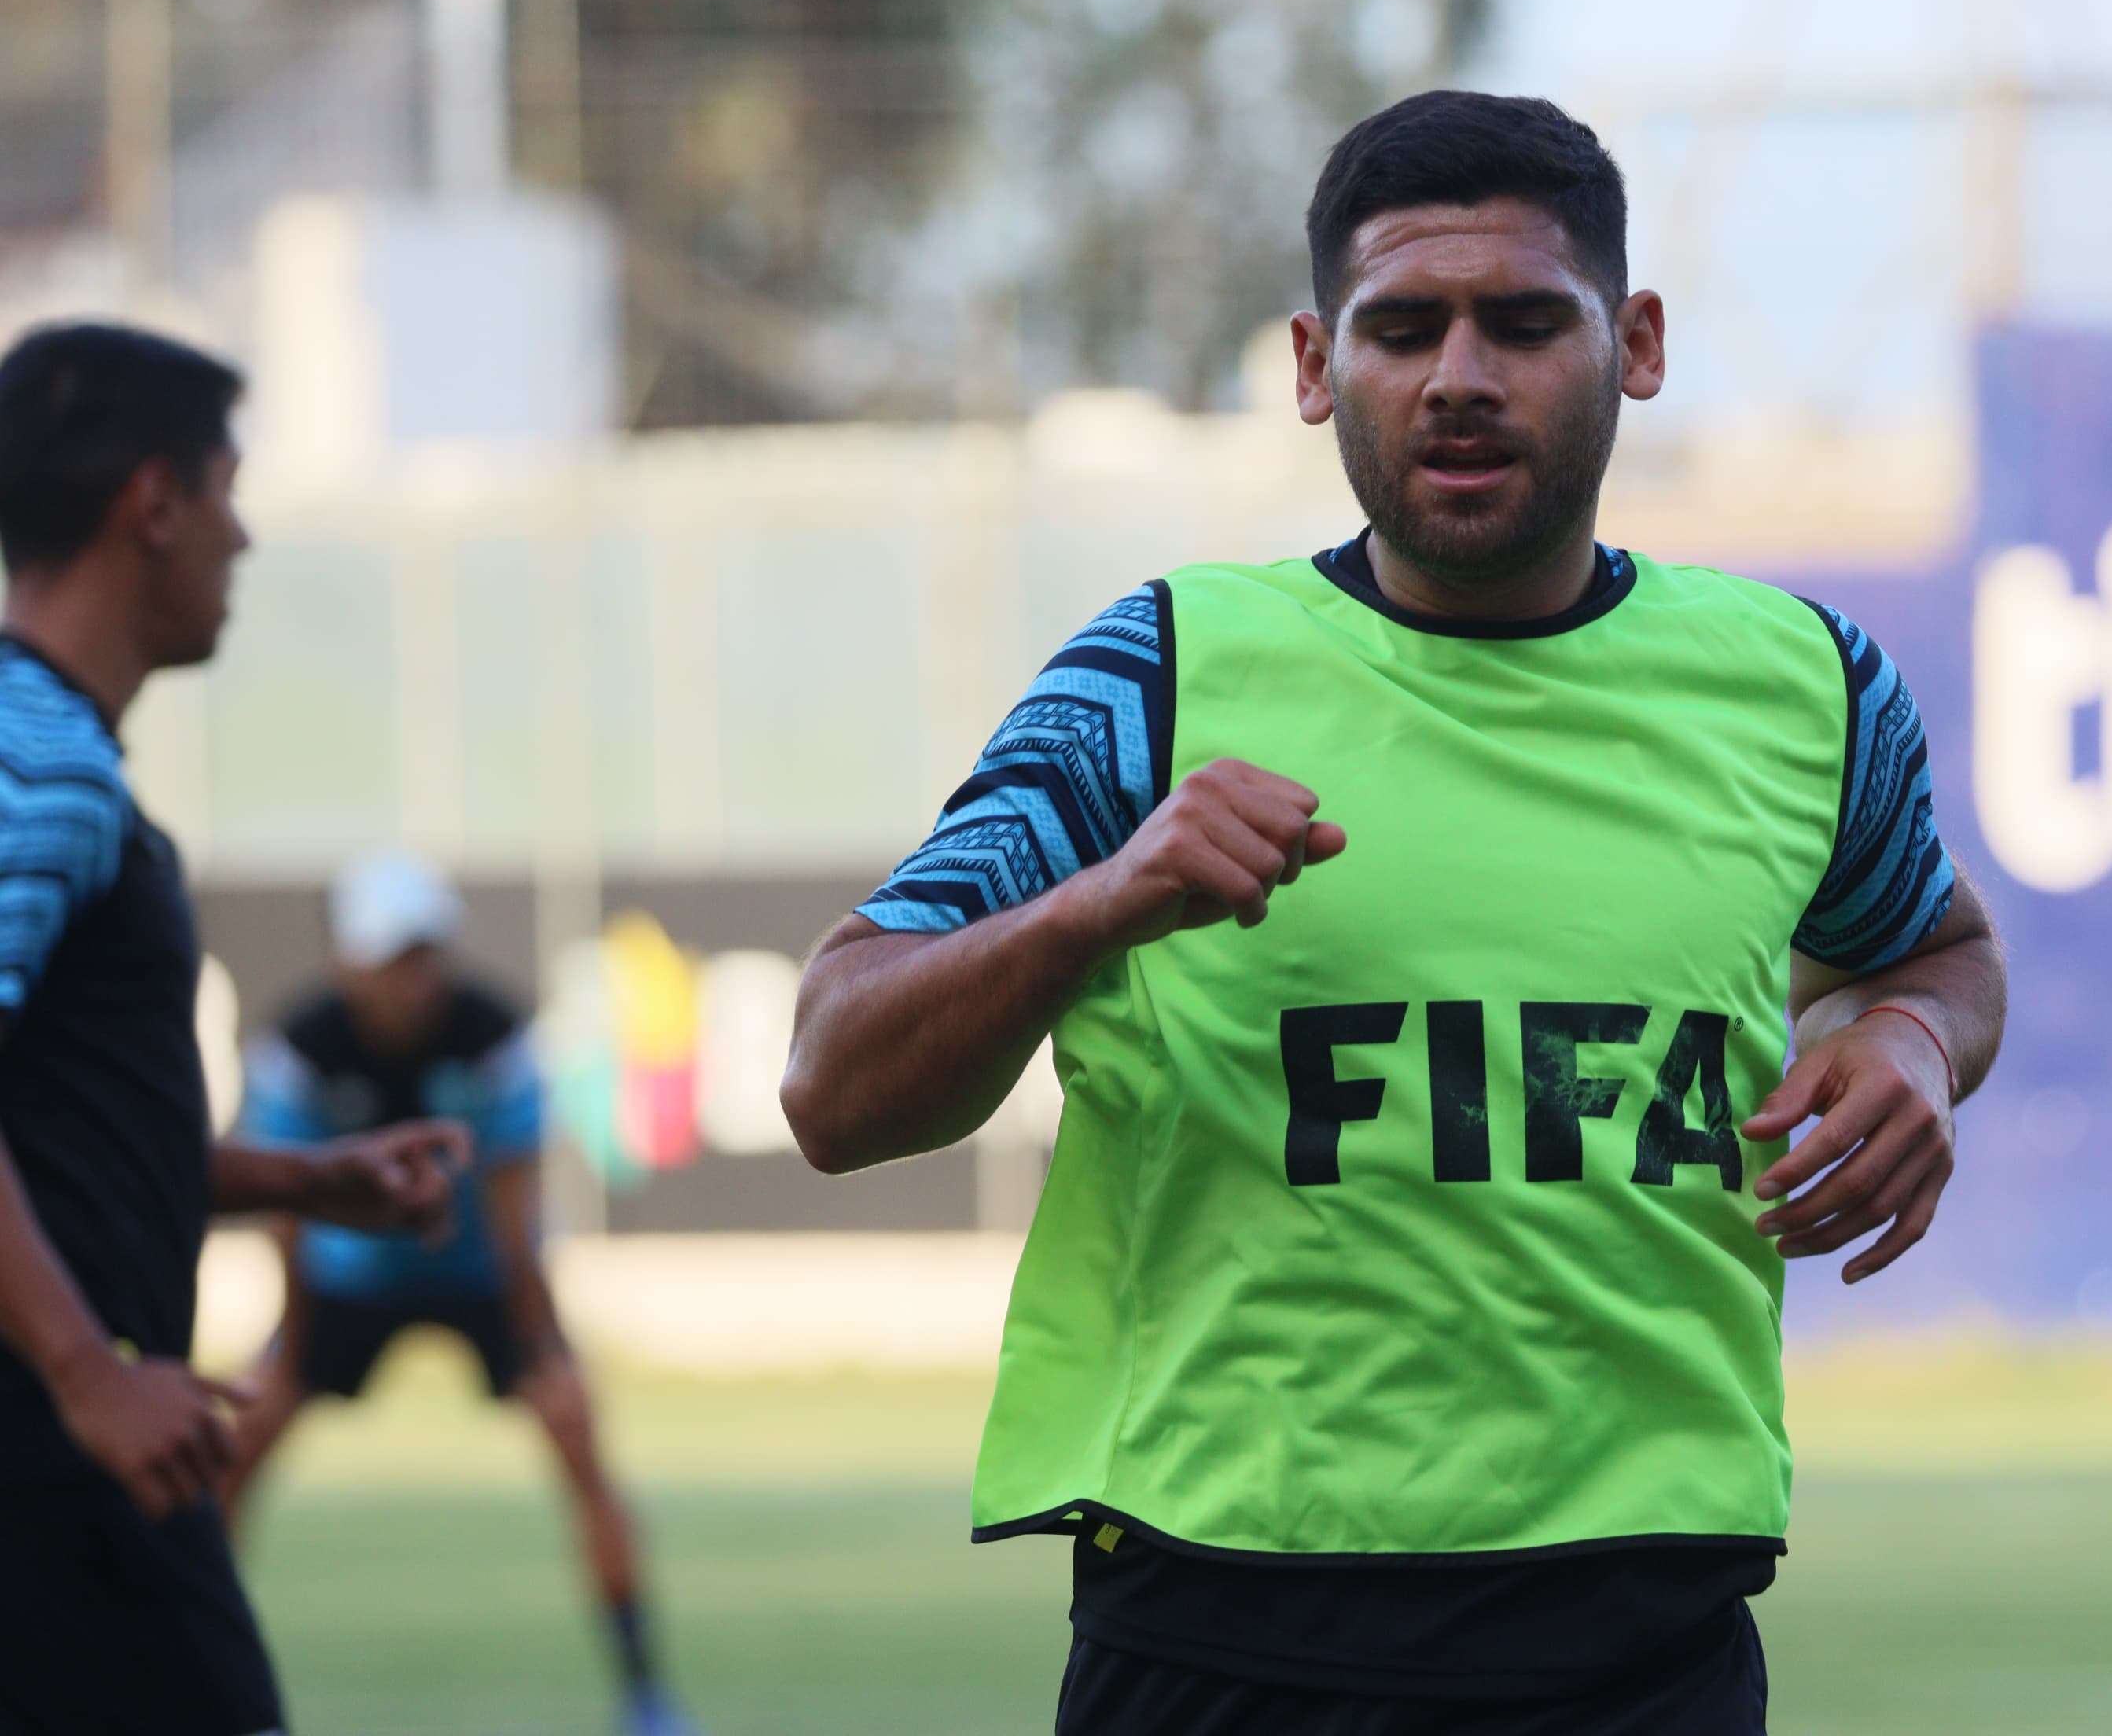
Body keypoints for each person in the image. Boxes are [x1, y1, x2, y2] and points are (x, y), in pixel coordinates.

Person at [781, 91, 2011, 1734]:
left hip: (1648, 1631)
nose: (1459, 376)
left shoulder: (1807, 685)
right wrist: (1101, 903)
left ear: (1635, 343)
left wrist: (1918, 1039)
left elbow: (1938, 948)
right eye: (1401, 327)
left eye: (1523, 322)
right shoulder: (1157, 675)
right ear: (1312, 365)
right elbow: (834, 1078)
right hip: (1232, 1627)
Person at [0, 321, 469, 1736]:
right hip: (58, 1468)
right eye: (227, 487)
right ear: (154, 503)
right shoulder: (42, 764)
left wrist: (300, 1179)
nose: (246, 536)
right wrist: (89, 1375)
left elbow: (54, 1138)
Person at [223, 850, 694, 1736]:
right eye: (392, 959)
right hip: (346, 1280)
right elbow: (283, 1214)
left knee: (575, 1427)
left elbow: (517, 1219)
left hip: (480, 1274)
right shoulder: (300, 1044)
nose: (414, 979)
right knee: (231, 1446)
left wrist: (545, 1348)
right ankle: (192, 1676)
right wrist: (290, 1343)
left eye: (424, 954)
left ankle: (646, 1696)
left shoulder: (495, 1035)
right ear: (347, 962)